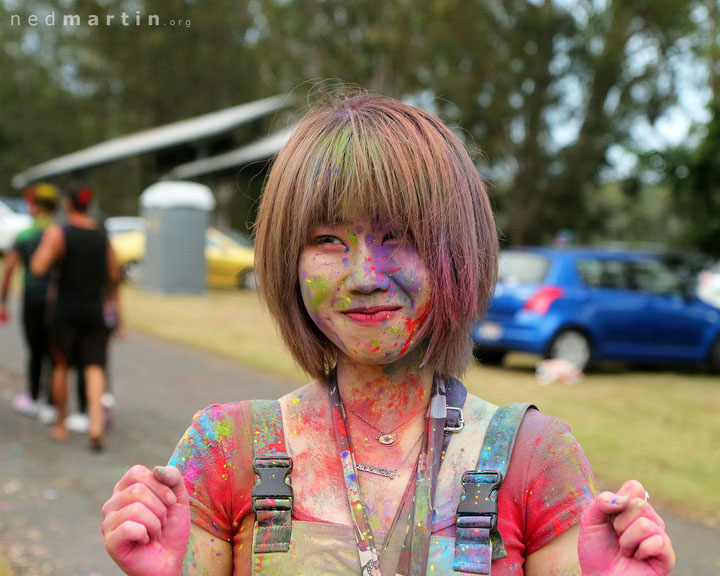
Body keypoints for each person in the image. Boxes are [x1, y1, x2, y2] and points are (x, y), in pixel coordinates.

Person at [101, 93, 674, 575]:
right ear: (286, 259)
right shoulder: (226, 449)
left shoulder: (534, 456)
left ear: (461, 251)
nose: (365, 277)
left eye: (399, 235)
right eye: (328, 240)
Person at [31, 185, 122, 451]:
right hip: (94, 308)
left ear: (68, 205)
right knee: (94, 366)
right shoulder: (101, 237)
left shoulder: (60, 232)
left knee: (62, 364)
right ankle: (96, 425)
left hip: (65, 310)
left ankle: (61, 424)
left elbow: (38, 266)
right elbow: (114, 275)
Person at [1, 183, 59, 422]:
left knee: (35, 351)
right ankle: (53, 403)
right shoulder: (61, 232)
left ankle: (34, 399)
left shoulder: (24, 235)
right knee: (55, 353)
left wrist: (3, 301)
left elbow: (10, 270)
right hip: (58, 302)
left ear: (34, 205)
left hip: (32, 300)